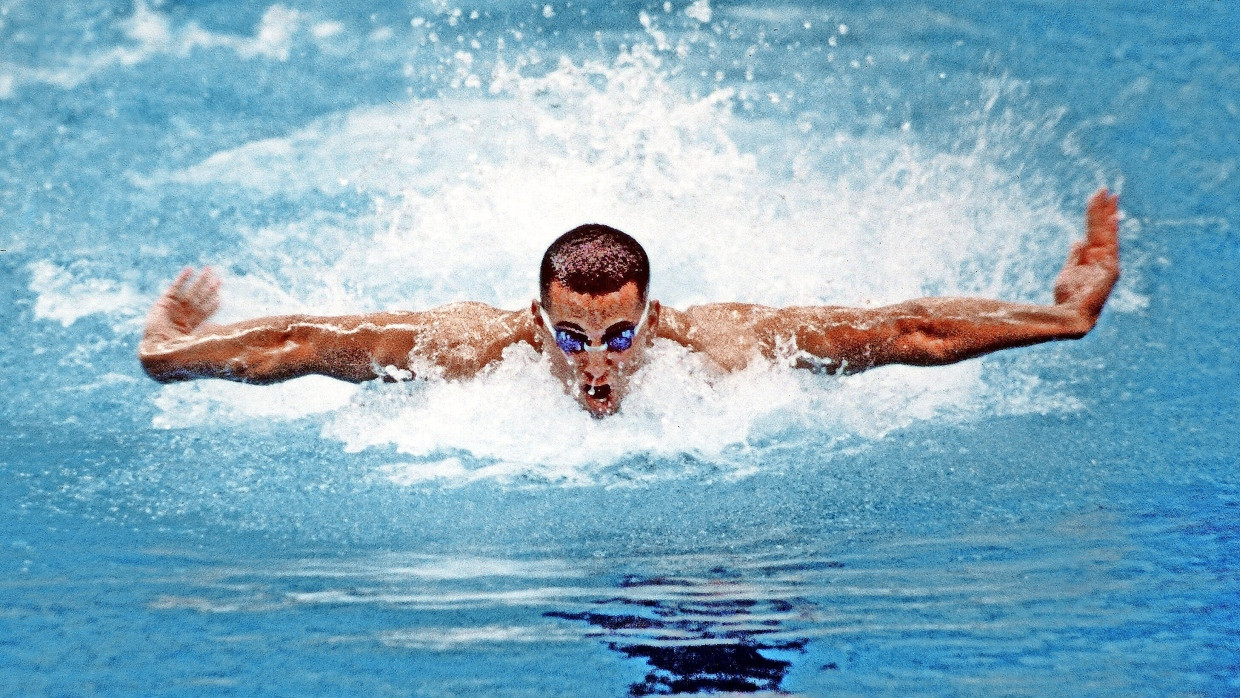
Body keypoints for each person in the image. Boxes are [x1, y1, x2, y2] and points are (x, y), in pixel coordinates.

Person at [139, 189, 1120, 417]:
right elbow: (311, 339)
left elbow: (905, 328)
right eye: (568, 334)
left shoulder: (728, 346)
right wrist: (168, 346)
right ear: (535, 318)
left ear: (654, 315)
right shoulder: (477, 346)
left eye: (616, 334)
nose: (592, 361)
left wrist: (1062, 315)